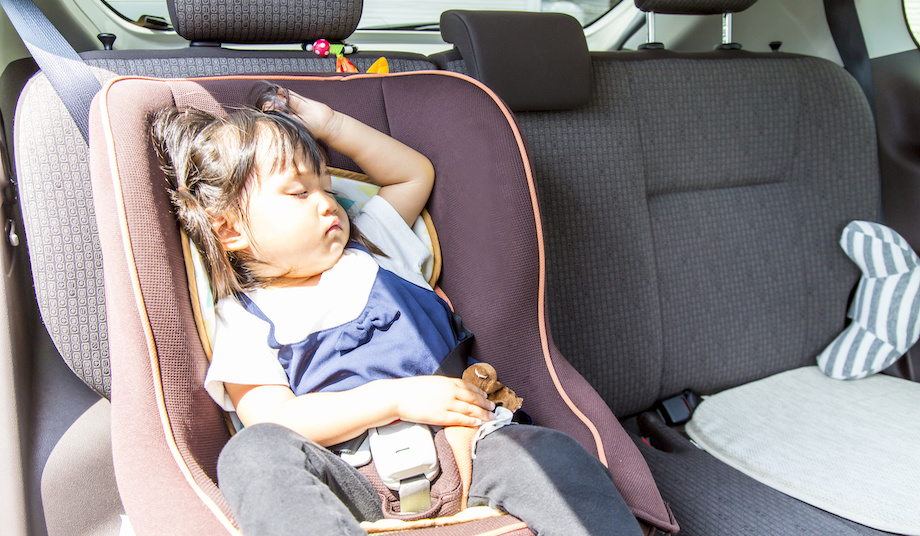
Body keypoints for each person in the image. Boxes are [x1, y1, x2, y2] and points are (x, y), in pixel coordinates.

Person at [151, 82, 642, 536]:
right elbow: (273, 421)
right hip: (347, 477)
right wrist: (394, 400)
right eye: (300, 193)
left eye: (328, 188)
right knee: (252, 454)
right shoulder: (244, 317)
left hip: (467, 445)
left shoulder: (376, 245)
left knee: (555, 454)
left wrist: (326, 124)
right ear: (229, 230)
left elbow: (413, 173)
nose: (328, 204)